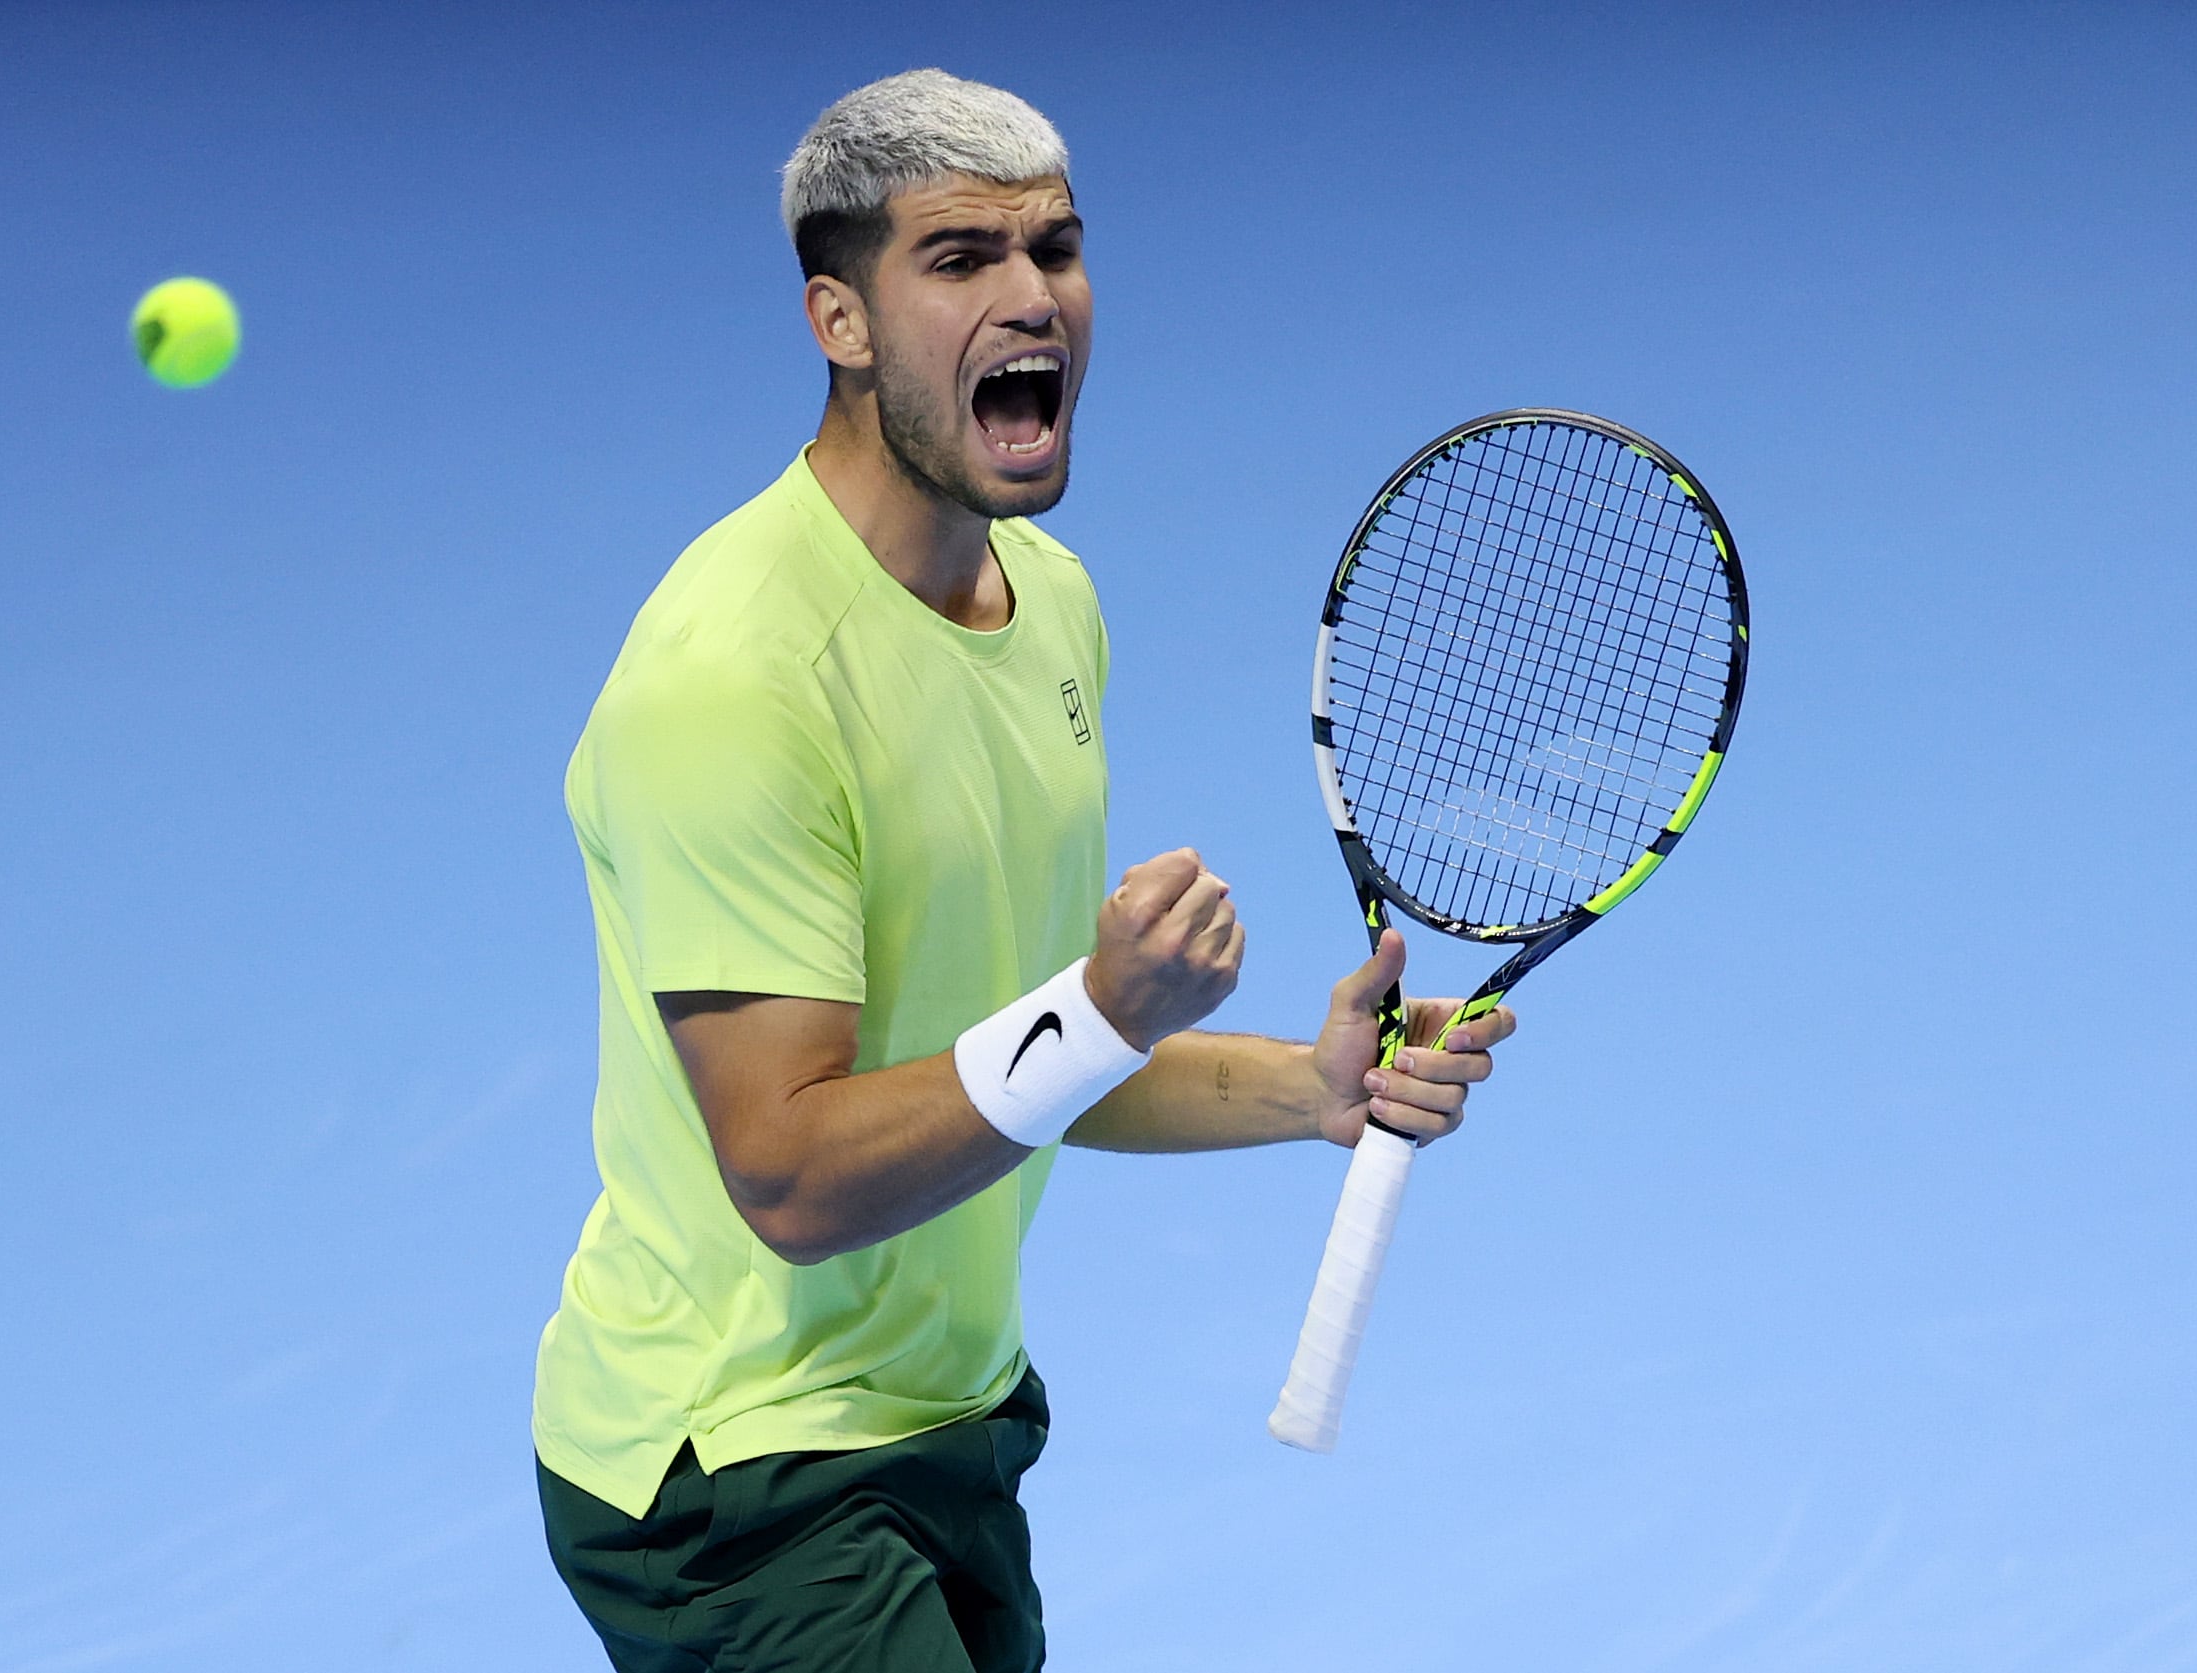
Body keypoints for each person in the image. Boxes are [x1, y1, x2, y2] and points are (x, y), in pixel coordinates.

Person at [531, 68, 1517, 1673]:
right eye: (959, 258)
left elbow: (1013, 1059)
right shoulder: (735, 683)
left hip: (957, 1422)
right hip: (740, 1468)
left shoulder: (1049, 599)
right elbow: (789, 1176)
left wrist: (1307, 1084)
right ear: (840, 321)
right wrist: (1108, 1011)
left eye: (1054, 249)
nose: (1032, 296)